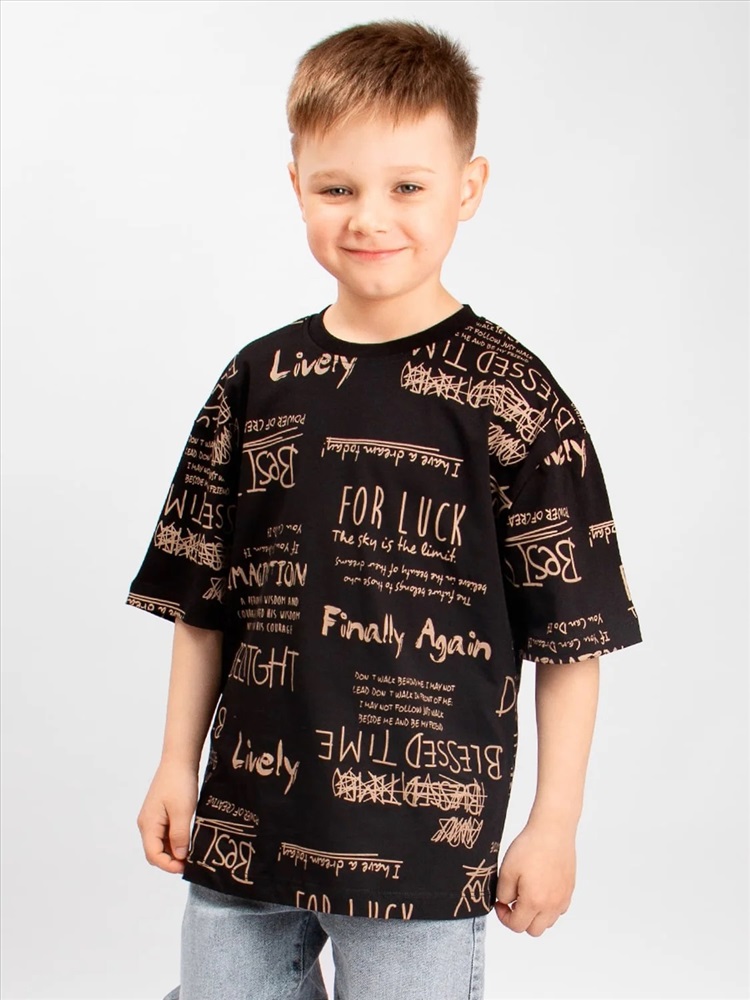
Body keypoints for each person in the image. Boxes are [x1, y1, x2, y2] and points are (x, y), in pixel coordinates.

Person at [127, 19, 644, 1000]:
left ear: (468, 187)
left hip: (419, 853)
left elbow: (572, 635)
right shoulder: (258, 381)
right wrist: (172, 764)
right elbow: (203, 601)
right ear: (296, 186)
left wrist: (556, 822)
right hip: (246, 825)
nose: (370, 217)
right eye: (338, 188)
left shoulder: (514, 401)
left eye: (407, 186)